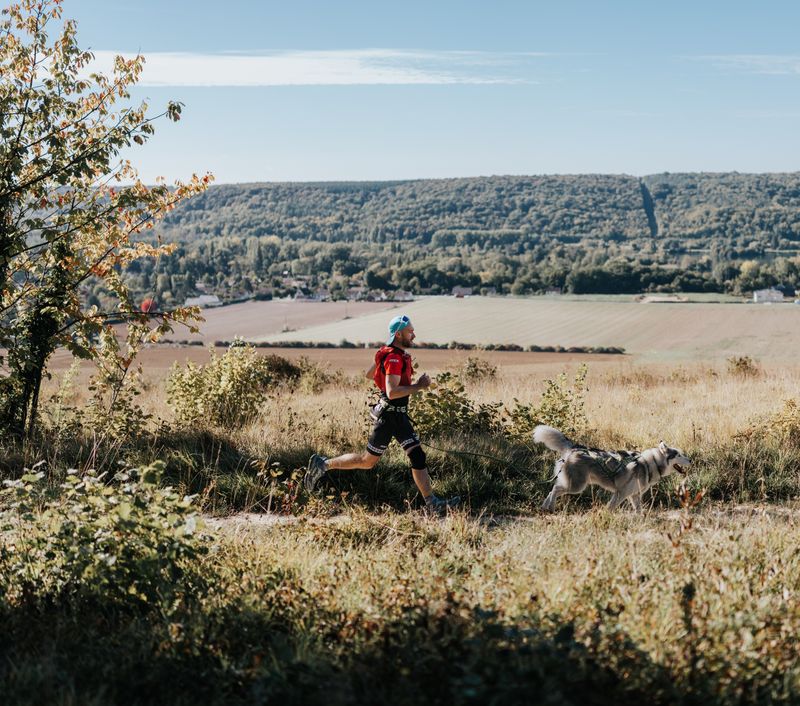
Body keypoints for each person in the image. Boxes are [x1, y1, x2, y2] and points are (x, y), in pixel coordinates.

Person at [305, 314, 460, 517]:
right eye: (410, 331)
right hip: (389, 417)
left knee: (417, 456)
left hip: (399, 417)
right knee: (367, 461)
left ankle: (431, 504)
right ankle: (323, 464)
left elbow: (370, 374)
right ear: (398, 334)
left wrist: (383, 364)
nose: (413, 334)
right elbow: (392, 392)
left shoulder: (389, 353)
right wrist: (418, 386)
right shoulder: (394, 357)